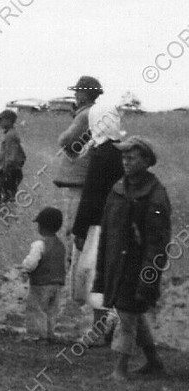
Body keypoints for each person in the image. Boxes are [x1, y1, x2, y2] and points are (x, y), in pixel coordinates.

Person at [93, 137, 170, 380]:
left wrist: (148, 275)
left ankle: (120, 369)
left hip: (138, 267)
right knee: (130, 311)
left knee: (127, 315)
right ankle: (154, 361)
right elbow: (107, 229)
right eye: (123, 157)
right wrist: (103, 266)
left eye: (132, 157)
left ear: (146, 162)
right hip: (117, 264)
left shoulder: (155, 195)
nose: (125, 161)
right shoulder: (119, 188)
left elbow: (158, 242)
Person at [69, 101, 125, 339]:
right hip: (117, 223)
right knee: (110, 275)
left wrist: (79, 229)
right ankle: (109, 330)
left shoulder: (100, 154)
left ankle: (98, 331)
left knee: (95, 276)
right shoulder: (122, 151)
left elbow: (90, 195)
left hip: (97, 225)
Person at [52, 76, 103, 227]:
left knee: (73, 222)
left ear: (84, 94)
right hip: (88, 173)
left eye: (78, 91)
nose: (75, 94)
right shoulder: (96, 112)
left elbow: (66, 140)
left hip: (78, 176)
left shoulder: (84, 115)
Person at [19, 207, 67, 343]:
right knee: (51, 310)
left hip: (41, 283)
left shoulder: (39, 244)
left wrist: (24, 267)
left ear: (42, 226)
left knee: (37, 309)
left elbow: (32, 263)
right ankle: (50, 334)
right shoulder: (61, 245)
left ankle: (38, 335)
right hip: (57, 283)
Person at [0, 110, 26, 205]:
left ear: (8, 120)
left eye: (1, 119)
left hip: (8, 171)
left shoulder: (10, 135)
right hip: (10, 170)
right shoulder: (11, 133)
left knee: (4, 201)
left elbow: (11, 157)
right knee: (7, 199)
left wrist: (6, 172)